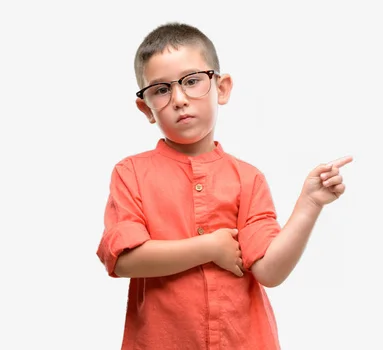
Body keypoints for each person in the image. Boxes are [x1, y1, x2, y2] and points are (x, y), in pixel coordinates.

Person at [96, 22, 352, 350]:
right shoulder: (130, 172)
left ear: (222, 88)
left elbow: (270, 272)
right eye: (161, 89)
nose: (179, 99)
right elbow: (123, 260)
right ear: (146, 108)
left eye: (192, 81)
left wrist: (309, 204)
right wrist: (209, 248)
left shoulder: (248, 178)